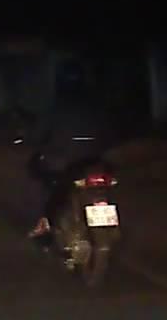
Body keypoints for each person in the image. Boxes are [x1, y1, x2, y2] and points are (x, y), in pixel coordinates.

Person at [26, 63, 111, 239]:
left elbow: (38, 134)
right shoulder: (94, 105)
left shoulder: (56, 106)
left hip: (65, 162)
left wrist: (36, 141)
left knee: (43, 176)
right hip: (95, 160)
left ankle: (45, 225)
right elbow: (109, 131)